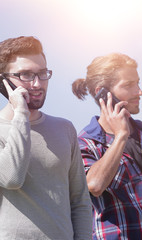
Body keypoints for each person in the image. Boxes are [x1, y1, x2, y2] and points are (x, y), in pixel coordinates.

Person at [71, 53, 142, 239]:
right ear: (102, 92)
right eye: (128, 85)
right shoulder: (84, 143)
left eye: (138, 83)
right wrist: (121, 136)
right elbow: (95, 185)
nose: (139, 92)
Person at [0, 36, 92, 239]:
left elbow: (80, 201)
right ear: (3, 80)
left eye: (42, 73)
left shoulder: (64, 128)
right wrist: (21, 114)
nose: (37, 83)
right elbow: (12, 177)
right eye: (25, 75)